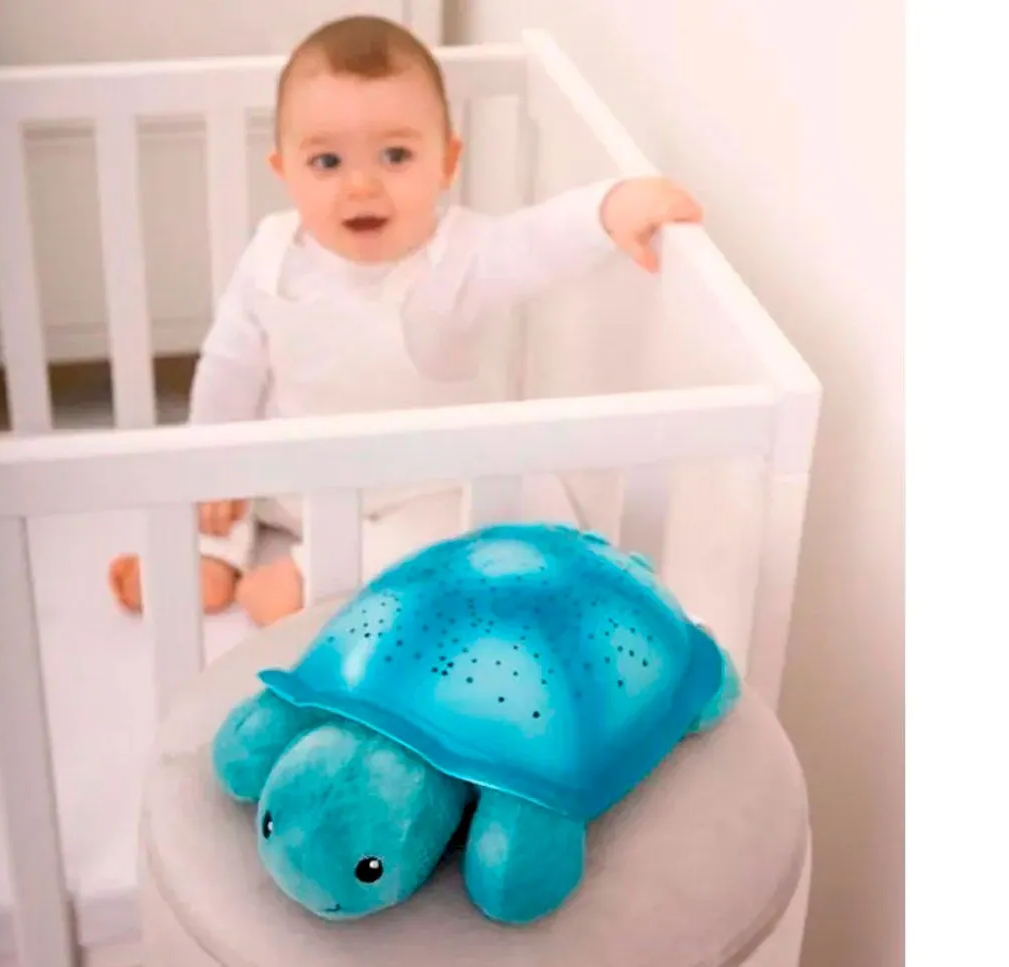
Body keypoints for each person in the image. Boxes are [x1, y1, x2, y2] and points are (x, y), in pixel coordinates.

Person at [108, 14, 703, 626]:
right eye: (326, 161)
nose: (361, 185)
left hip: (421, 487)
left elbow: (536, 241)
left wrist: (608, 208)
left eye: (395, 155)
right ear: (284, 171)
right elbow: (229, 366)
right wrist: (214, 466)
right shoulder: (270, 254)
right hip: (296, 474)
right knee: (227, 481)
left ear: (446, 161)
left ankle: (309, 578)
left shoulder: (461, 256)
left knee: (469, 532)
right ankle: (210, 557)